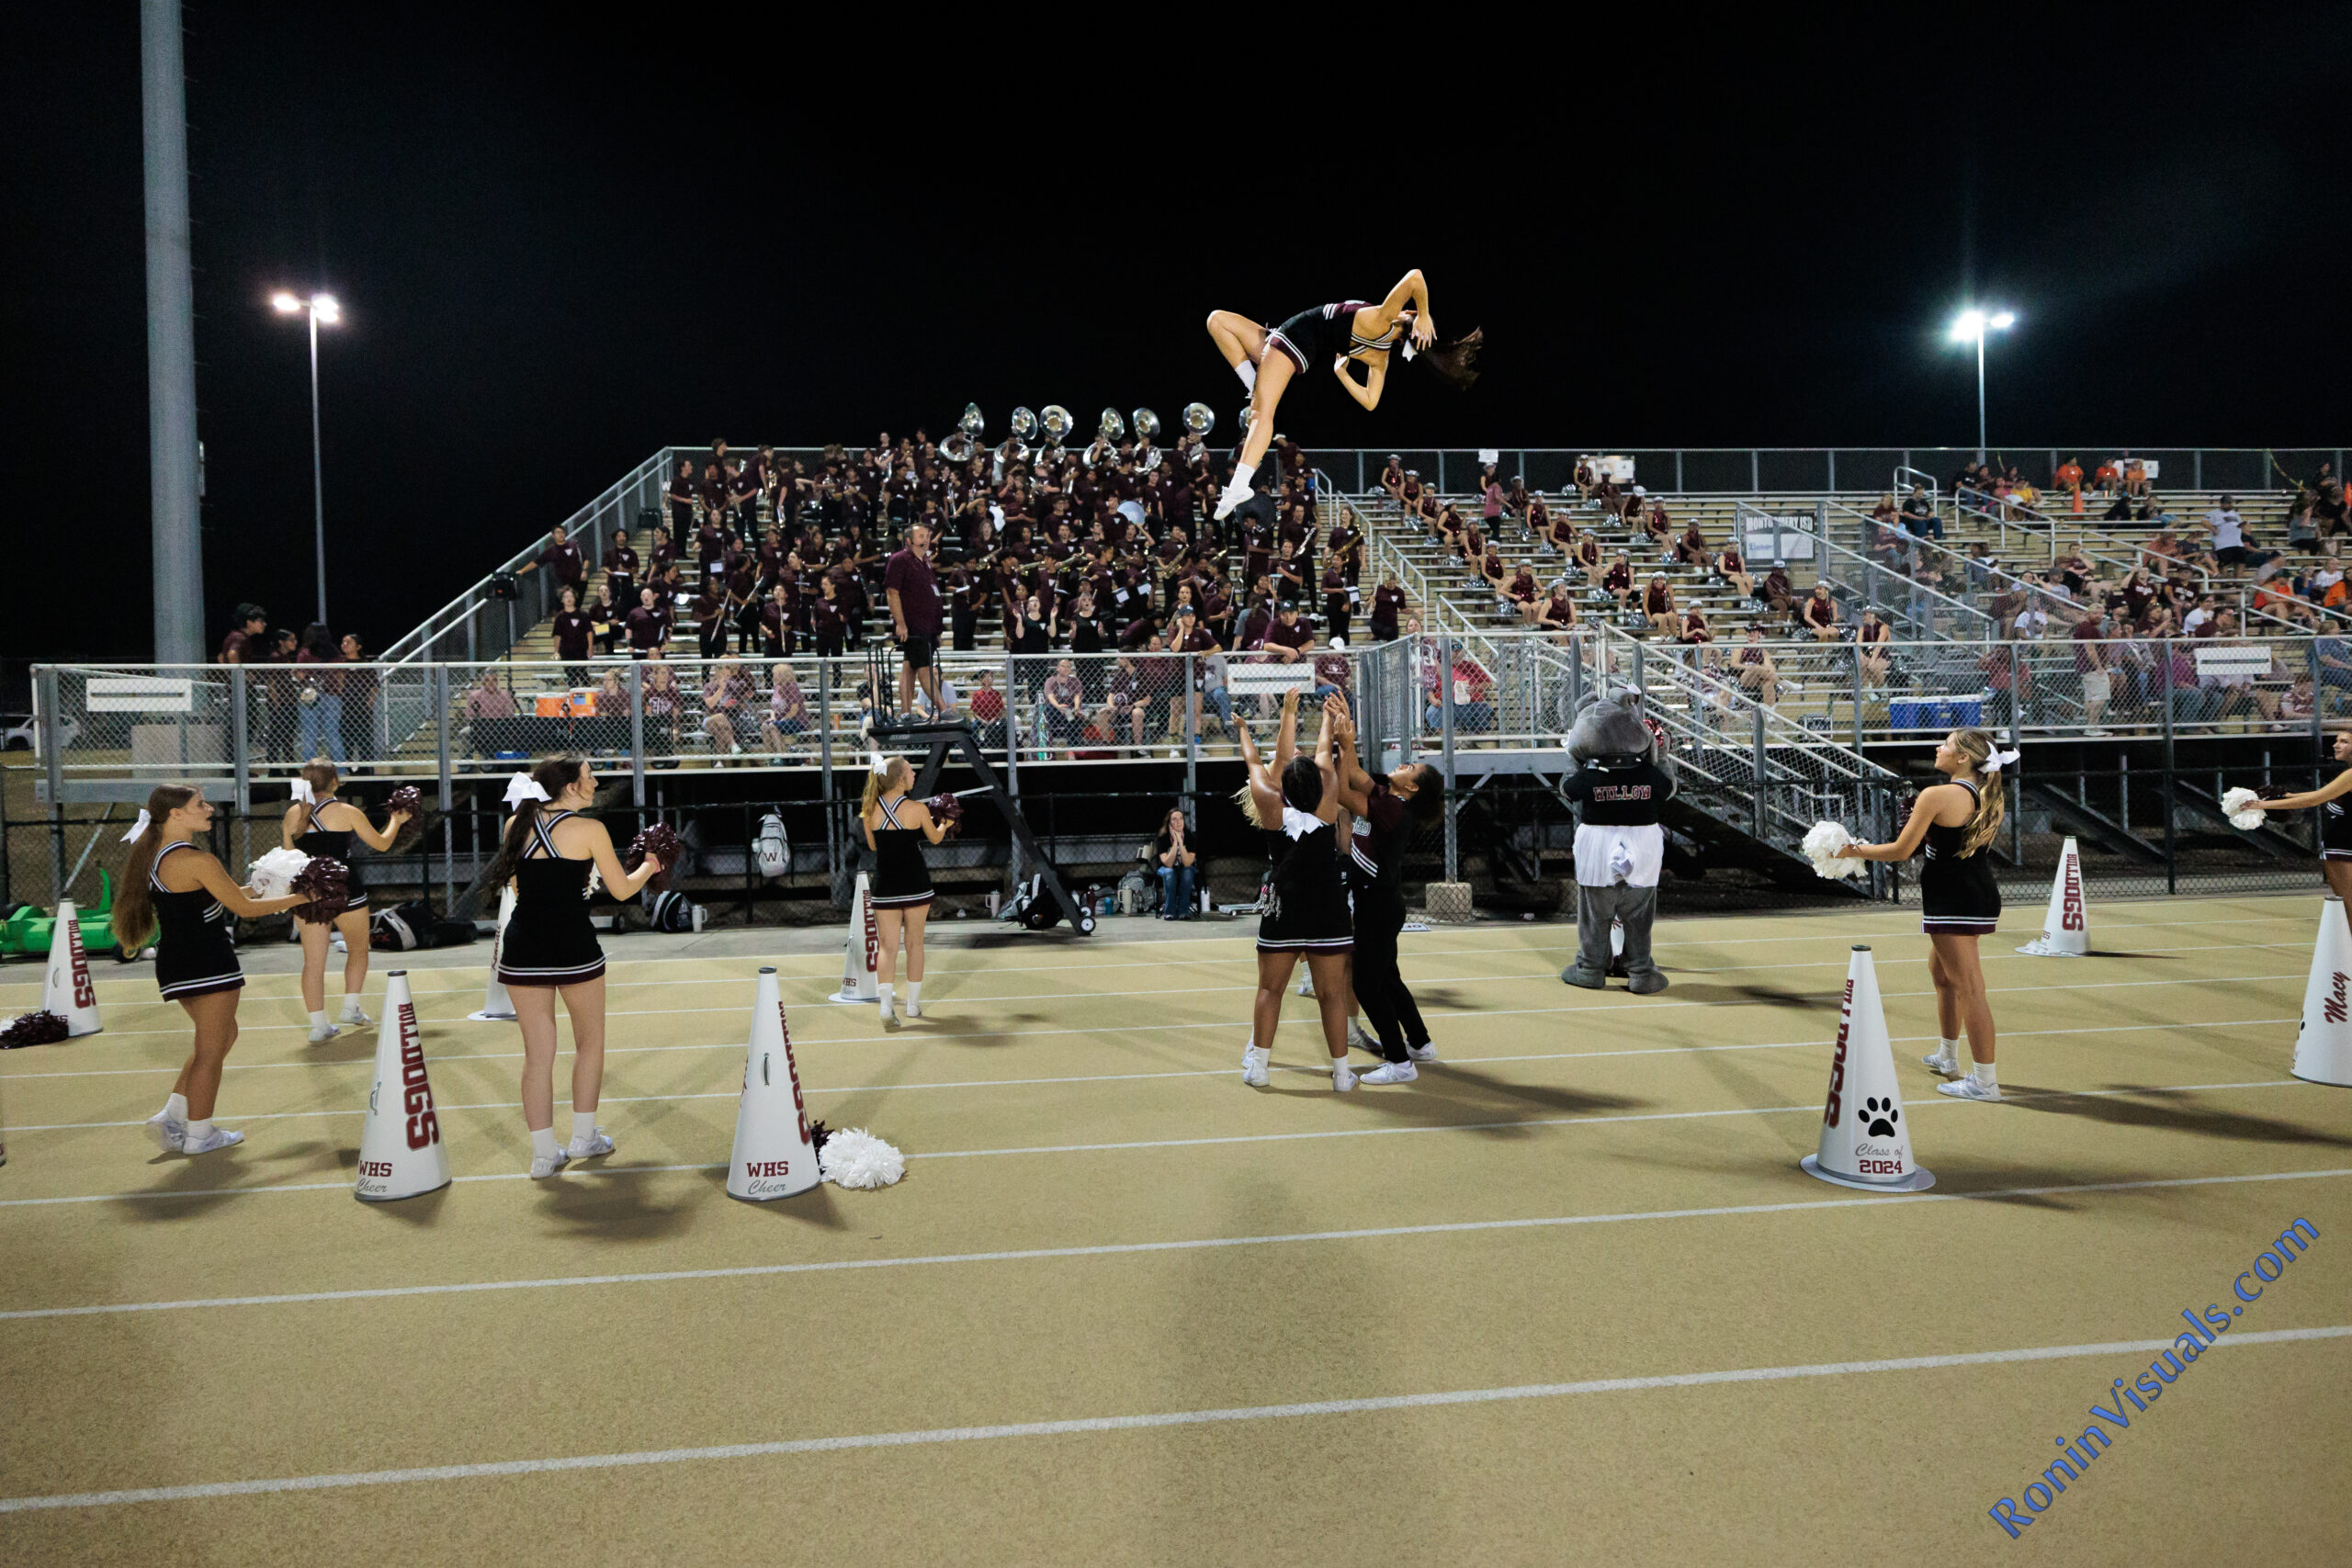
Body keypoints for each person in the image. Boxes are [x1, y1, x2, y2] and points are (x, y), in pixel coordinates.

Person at [488, 757, 665, 1178]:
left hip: (523, 947)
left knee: (537, 1055)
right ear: (569, 786)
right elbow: (622, 890)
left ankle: (543, 1155)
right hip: (573, 946)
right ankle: (583, 1137)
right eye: (589, 777)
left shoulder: (516, 825)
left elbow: (516, 886)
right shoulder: (590, 830)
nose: (596, 782)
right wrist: (649, 867)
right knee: (590, 1042)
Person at [115, 784, 309, 1156]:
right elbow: (245, 911)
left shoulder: (157, 853)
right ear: (176, 815)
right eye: (199, 804)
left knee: (222, 1036)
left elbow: (219, 897)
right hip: (206, 962)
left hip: (178, 961)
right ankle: (200, 1134)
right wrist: (304, 896)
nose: (208, 809)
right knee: (210, 1051)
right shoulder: (195, 859)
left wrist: (258, 886)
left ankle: (173, 1115)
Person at [1204, 271, 1480, 519]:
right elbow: (1372, 401)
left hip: (1295, 342)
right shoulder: (1381, 355)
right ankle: (1252, 383)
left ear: (1405, 319)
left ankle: (1240, 483)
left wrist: (1423, 312)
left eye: (1410, 312)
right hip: (1284, 337)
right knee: (1217, 320)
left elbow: (1415, 277)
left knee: (1261, 414)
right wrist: (1343, 374)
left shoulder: (1383, 318)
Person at [1835, 729, 2015, 1101]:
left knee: (1970, 987)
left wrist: (1852, 851)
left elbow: (1901, 851)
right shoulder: (1985, 792)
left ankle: (1985, 1082)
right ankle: (1948, 1056)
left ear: (1963, 757)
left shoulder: (1937, 795)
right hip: (1971, 892)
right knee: (1942, 974)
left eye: (1946, 744)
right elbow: (1948, 845)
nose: (1938, 748)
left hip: (1953, 898)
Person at [1235, 692, 1358, 1089]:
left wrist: (1243, 731)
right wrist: (1328, 718)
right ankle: (1341, 1075)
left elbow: (1257, 762)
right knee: (1332, 995)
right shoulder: (1329, 800)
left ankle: (1261, 1067)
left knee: (1271, 990)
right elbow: (1323, 753)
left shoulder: (1269, 802)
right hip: (1327, 904)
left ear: (1284, 782)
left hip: (1284, 904)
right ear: (1321, 784)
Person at [1329, 706, 1442, 1082]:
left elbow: (1344, 792)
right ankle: (1420, 1043)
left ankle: (1399, 1062)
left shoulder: (1393, 810)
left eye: (1410, 768)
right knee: (1388, 978)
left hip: (1377, 905)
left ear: (1410, 787)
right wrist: (1347, 737)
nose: (1404, 764)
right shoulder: (1388, 797)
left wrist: (1345, 744)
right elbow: (1358, 776)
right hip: (1380, 901)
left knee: (1366, 984)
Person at [283, 761, 414, 1042]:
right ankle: (350, 1008)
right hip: (346, 889)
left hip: (309, 894)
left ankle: (318, 1025)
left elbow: (287, 860)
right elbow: (381, 844)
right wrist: (397, 820)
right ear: (335, 782)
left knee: (313, 963)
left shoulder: (292, 814)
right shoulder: (347, 812)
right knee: (358, 949)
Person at [862, 753, 947, 1027]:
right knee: (915, 944)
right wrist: (946, 824)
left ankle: (886, 1007)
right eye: (911, 772)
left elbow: (875, 847)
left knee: (887, 947)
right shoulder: (917, 809)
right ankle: (912, 1006)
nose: (914, 775)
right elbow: (934, 838)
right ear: (899, 780)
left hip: (885, 885)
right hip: (915, 884)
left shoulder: (868, 810)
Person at [2243, 728, 2352, 898]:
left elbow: (2315, 800)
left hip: (2344, 843)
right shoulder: (2347, 775)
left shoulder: (2350, 775)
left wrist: (2262, 805)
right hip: (2343, 841)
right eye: (2337, 741)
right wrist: (2289, 796)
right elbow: (2323, 794)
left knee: (2348, 902)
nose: (2336, 745)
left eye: (2344, 742)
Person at [886, 522, 945, 718]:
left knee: (909, 665)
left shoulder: (925, 561)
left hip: (928, 626)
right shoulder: (900, 559)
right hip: (913, 625)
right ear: (909, 540)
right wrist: (901, 623)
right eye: (921, 537)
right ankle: (944, 710)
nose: (926, 540)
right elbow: (892, 592)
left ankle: (905, 713)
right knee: (924, 668)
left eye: (927, 536)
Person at [1151, 807, 1199, 919]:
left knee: (1187, 872)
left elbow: (1187, 863)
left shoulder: (1190, 836)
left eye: (1181, 818)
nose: (1178, 822)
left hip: (1185, 868)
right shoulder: (1162, 838)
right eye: (1174, 819)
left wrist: (1181, 843)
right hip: (1166, 868)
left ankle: (1183, 911)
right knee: (1170, 872)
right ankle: (1169, 912)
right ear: (1169, 823)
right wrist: (1175, 842)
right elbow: (1167, 863)